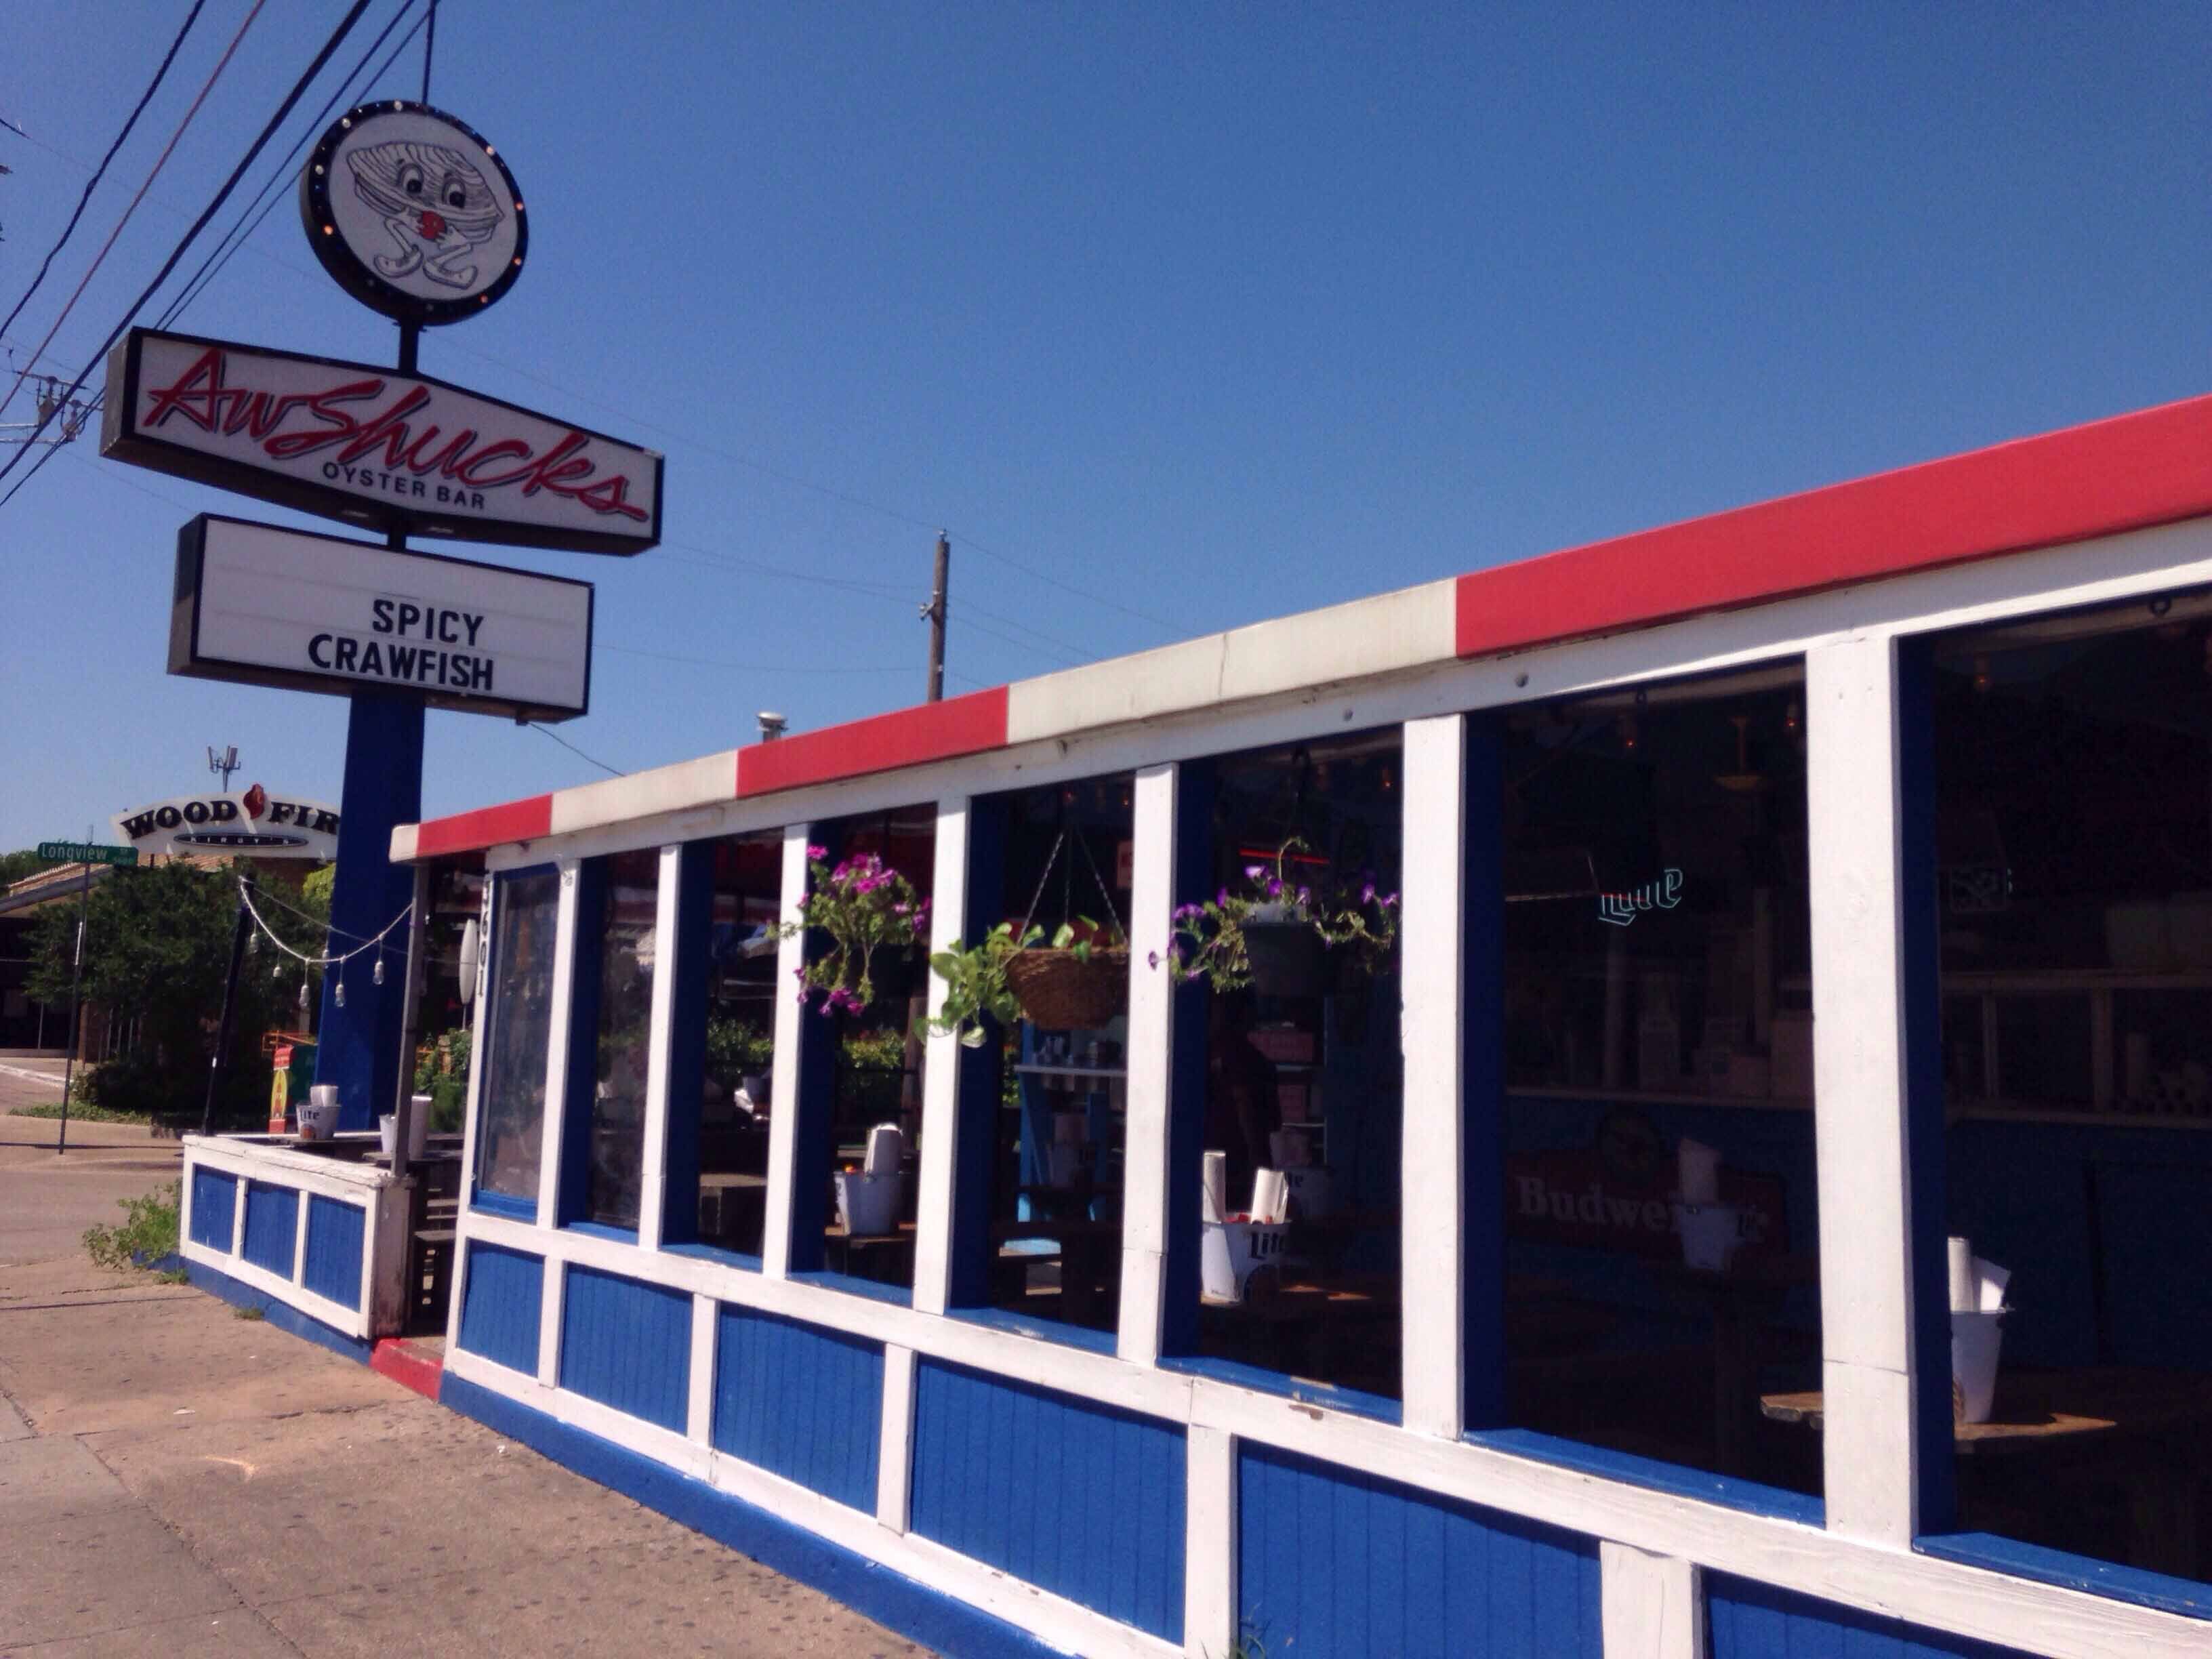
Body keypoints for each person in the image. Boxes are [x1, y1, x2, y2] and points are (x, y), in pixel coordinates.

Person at [1204, 989, 1278, 1210]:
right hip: (1226, 1166)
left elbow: (1247, 1106)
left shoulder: (1241, 1058)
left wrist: (1258, 1165)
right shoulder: (1211, 1055)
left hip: (1236, 1167)